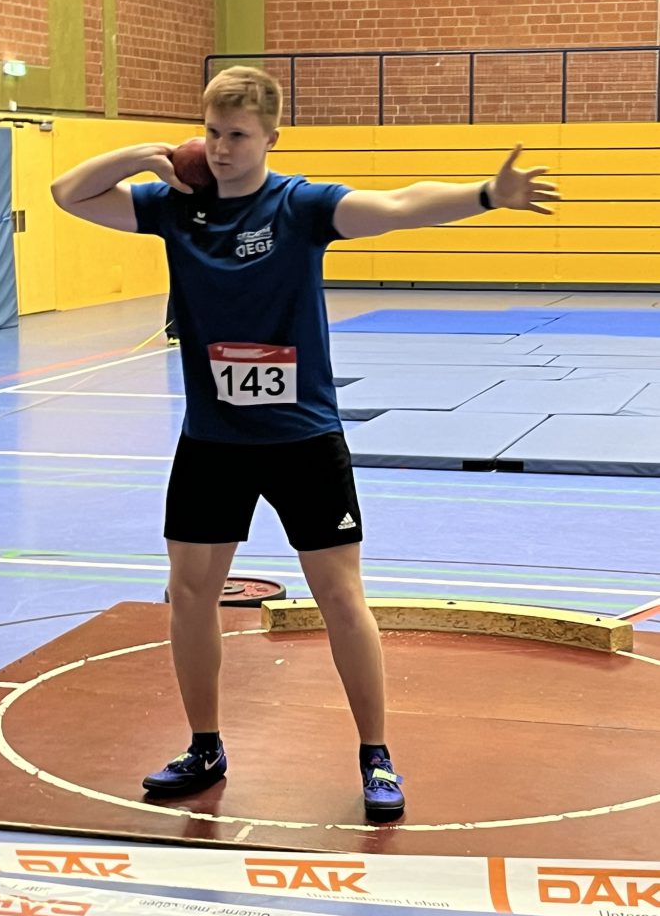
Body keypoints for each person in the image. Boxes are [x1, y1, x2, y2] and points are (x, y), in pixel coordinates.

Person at [51, 65, 559, 820]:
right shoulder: (176, 206)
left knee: (341, 598)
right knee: (189, 594)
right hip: (213, 439)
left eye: (238, 135)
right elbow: (69, 194)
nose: (222, 149)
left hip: (303, 438)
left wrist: (486, 195)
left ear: (271, 138)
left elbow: (397, 206)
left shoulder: (299, 207)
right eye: (212, 133)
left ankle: (376, 755)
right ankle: (204, 745)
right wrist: (144, 154)